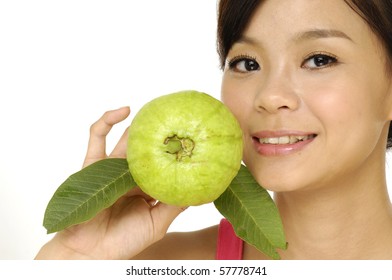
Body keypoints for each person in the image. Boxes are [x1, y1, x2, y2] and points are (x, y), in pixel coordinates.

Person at [35, 0, 392, 260]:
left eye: (319, 59)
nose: (269, 96)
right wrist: (78, 257)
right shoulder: (163, 266)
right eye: (247, 63)